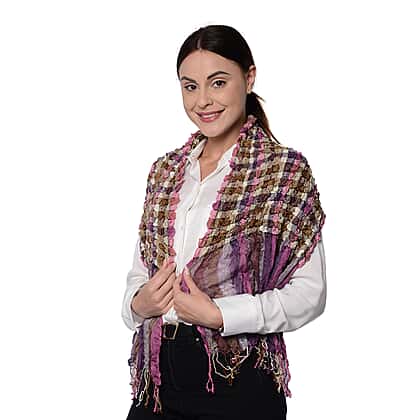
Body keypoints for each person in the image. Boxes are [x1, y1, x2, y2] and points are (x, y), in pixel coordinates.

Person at [121, 24, 327, 420]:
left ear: (249, 79)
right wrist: (138, 303)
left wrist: (220, 315)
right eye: (190, 86)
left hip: (239, 379)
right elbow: (140, 273)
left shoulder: (283, 172)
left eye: (218, 82)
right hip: (158, 378)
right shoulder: (165, 172)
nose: (202, 101)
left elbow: (309, 294)